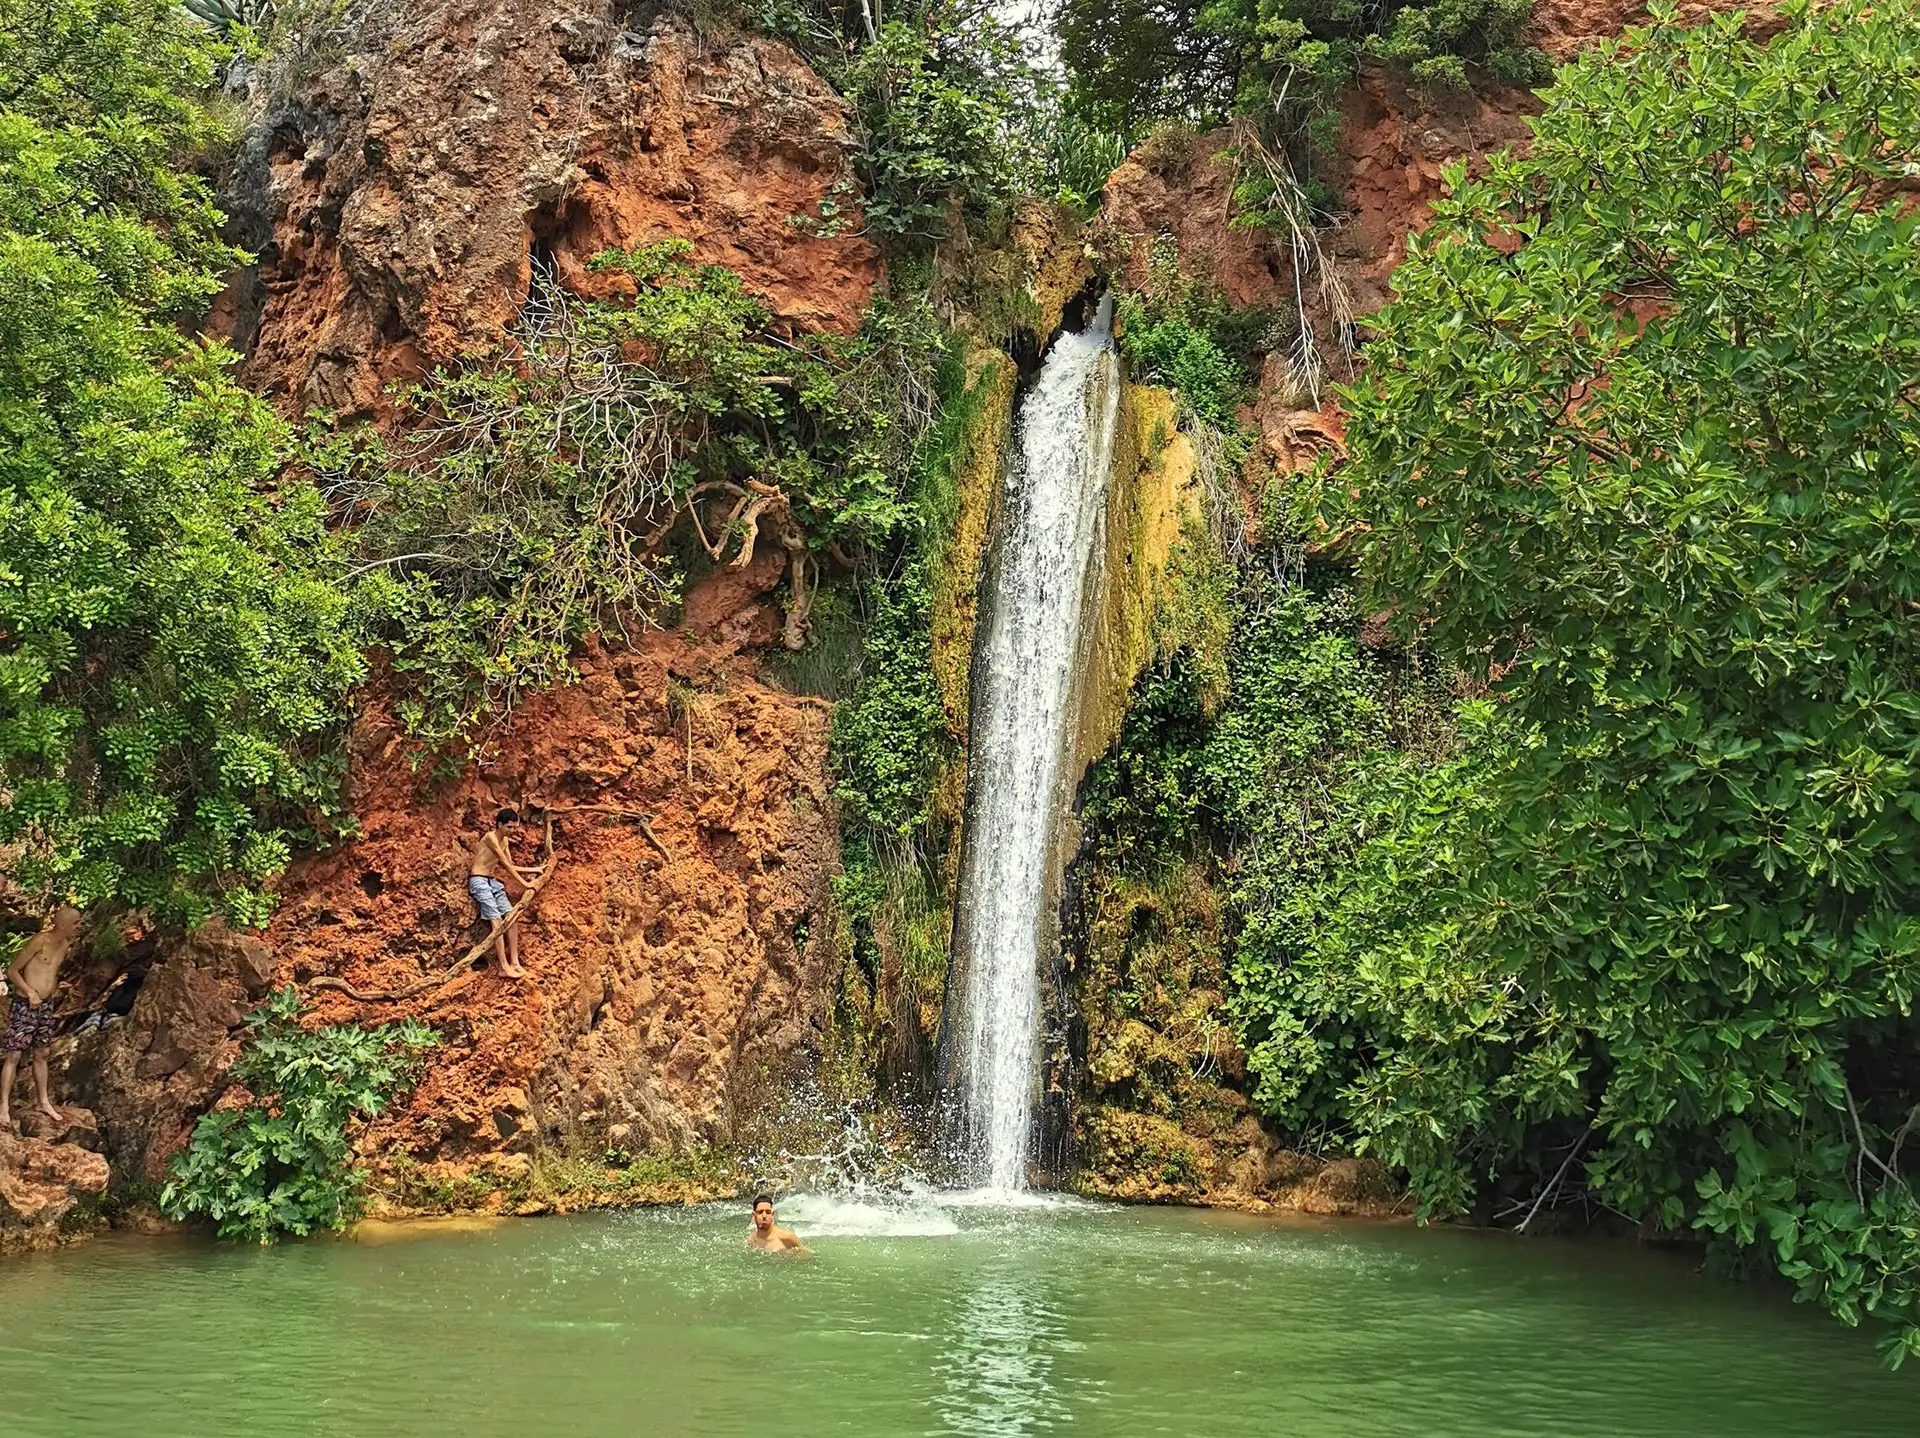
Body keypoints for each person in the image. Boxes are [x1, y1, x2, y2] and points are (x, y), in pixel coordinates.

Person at [2, 906, 84, 1131]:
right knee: (15, 1054)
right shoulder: (41, 941)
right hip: (25, 1004)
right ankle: (3, 1108)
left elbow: (48, 972)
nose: (79, 927)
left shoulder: (66, 945)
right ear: (63, 924)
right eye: (76, 923)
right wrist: (29, 992)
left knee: (42, 1053)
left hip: (46, 1005)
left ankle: (43, 1102)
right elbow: (12, 971)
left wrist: (55, 989)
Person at [467, 810, 538, 979]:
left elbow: (511, 865)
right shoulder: (491, 837)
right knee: (496, 920)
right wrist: (525, 883)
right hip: (479, 880)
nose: (513, 830)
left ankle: (514, 962)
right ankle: (503, 966)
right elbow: (505, 863)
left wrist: (536, 869)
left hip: (492, 881)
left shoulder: (504, 840)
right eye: (510, 827)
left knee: (511, 916)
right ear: (500, 825)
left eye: (515, 827)